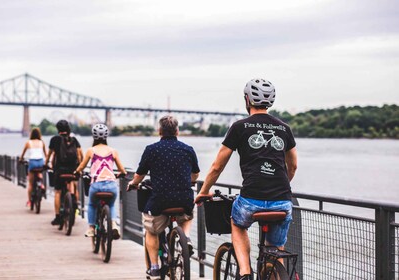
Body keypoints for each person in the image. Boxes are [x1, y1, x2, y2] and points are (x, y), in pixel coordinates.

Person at [195, 78, 298, 280]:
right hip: (282, 199)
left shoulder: (239, 127)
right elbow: (292, 166)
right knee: (275, 249)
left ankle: (244, 272)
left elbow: (217, 166)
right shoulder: (284, 128)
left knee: (238, 223)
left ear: (247, 99)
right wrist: (280, 187)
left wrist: (204, 191)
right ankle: (276, 271)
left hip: (252, 198)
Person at [127, 115, 200, 280]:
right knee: (187, 215)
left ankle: (154, 269)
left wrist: (133, 183)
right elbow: (195, 174)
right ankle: (186, 237)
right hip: (184, 198)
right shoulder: (188, 149)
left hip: (160, 200)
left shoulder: (151, 149)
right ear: (177, 131)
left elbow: (140, 174)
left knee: (151, 231)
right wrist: (191, 181)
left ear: (159, 131)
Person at [74, 123, 127, 239]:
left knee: (92, 204)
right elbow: (122, 170)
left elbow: (82, 166)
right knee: (112, 204)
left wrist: (77, 172)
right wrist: (121, 174)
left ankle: (92, 228)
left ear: (94, 137)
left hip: (96, 185)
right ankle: (113, 224)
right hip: (111, 185)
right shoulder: (113, 151)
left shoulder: (91, 151)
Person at [45, 120, 83, 226]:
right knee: (73, 186)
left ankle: (57, 217)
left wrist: (46, 164)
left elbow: (49, 155)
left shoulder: (54, 139)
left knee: (57, 192)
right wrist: (80, 168)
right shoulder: (74, 140)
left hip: (60, 170)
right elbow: (80, 155)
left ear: (58, 129)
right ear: (68, 129)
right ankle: (74, 206)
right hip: (72, 170)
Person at [19, 127, 47, 207]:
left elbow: (23, 154)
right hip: (40, 162)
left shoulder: (28, 143)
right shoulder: (42, 142)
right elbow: (46, 154)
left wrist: (21, 159)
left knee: (31, 183)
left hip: (32, 162)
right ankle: (42, 185)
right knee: (39, 173)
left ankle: (29, 201)